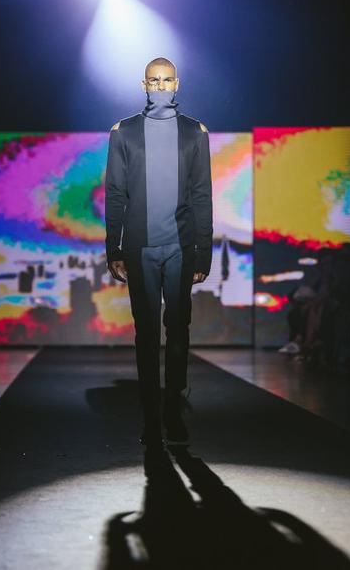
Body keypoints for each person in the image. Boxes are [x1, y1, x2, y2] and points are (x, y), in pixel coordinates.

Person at [105, 57, 213, 449]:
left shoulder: (195, 132)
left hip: (181, 247)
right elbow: (115, 193)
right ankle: (152, 418)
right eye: (154, 81)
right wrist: (114, 247)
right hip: (141, 247)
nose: (161, 87)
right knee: (146, 334)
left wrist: (203, 252)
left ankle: (172, 411)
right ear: (144, 84)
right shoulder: (124, 132)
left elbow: (201, 195)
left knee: (179, 329)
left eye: (167, 81)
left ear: (177, 84)